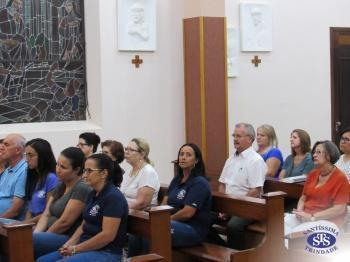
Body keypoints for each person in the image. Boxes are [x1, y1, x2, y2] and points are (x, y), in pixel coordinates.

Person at [37, 154, 128, 262]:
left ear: (103, 173)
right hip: (85, 246)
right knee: (42, 260)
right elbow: (84, 225)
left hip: (106, 252)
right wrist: (69, 244)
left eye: (89, 171)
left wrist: (76, 249)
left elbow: (107, 236)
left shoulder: (113, 197)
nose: (84, 175)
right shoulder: (93, 193)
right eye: (84, 170)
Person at [128, 143, 212, 256]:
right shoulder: (177, 180)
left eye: (188, 155)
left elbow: (187, 213)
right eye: (181, 154)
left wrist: (163, 221)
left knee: (153, 230)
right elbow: (164, 203)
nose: (183, 157)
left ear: (196, 160)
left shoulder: (200, 183)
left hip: (193, 228)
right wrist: (158, 218)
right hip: (171, 222)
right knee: (139, 230)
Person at [33, 147, 91, 259]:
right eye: (57, 164)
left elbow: (65, 222)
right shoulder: (61, 185)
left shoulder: (81, 188)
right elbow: (47, 213)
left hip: (66, 237)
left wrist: (43, 237)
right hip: (49, 233)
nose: (58, 169)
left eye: (63, 167)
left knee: (25, 240)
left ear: (77, 170)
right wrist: (37, 233)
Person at [218, 123, 267, 250]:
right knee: (203, 217)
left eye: (239, 136)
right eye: (234, 135)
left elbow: (255, 191)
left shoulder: (255, 160)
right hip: (230, 205)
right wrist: (223, 206)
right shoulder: (230, 159)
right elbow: (222, 184)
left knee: (233, 226)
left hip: (249, 207)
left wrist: (233, 208)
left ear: (250, 139)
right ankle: (219, 250)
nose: (235, 139)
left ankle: (236, 257)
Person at [284, 140, 349, 235]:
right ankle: (283, 248)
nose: (314, 155)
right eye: (314, 152)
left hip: (327, 221)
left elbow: (339, 209)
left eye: (318, 152)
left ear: (329, 155)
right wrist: (300, 211)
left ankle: (286, 248)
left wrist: (312, 217)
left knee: (296, 234)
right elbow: (303, 198)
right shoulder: (313, 174)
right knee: (278, 225)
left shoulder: (341, 178)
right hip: (306, 217)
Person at [24, 138, 58, 223]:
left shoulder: (52, 178)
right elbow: (30, 209)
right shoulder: (34, 177)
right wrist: (24, 225)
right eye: (26, 155)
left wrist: (26, 224)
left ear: (43, 156)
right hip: (31, 224)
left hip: (43, 224)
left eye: (31, 155)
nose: (27, 159)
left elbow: (48, 212)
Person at [120, 138, 160, 209]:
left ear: (142, 155)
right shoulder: (128, 172)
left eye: (131, 150)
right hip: (127, 212)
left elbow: (142, 203)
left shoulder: (148, 172)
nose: (126, 152)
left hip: (141, 216)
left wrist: (118, 209)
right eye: (126, 149)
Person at [0, 133, 27, 219]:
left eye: (6, 144)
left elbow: (15, 210)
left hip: (11, 224)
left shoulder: (25, 170)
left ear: (18, 150)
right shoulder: (7, 170)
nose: (1, 147)